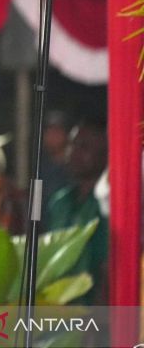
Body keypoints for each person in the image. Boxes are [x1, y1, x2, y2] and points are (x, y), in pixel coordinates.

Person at [45, 118, 109, 304]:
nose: (73, 152)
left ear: (105, 154)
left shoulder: (108, 205)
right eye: (72, 144)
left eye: (84, 147)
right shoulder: (59, 201)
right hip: (58, 307)